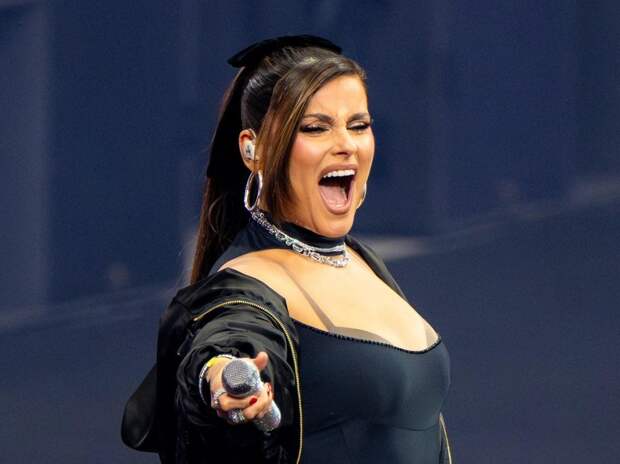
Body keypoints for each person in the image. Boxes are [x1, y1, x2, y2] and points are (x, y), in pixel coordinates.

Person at [174, 35, 452, 463]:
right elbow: (227, 342)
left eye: (358, 125)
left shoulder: (359, 260)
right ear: (253, 148)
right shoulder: (247, 282)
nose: (346, 144)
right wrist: (225, 376)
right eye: (316, 128)